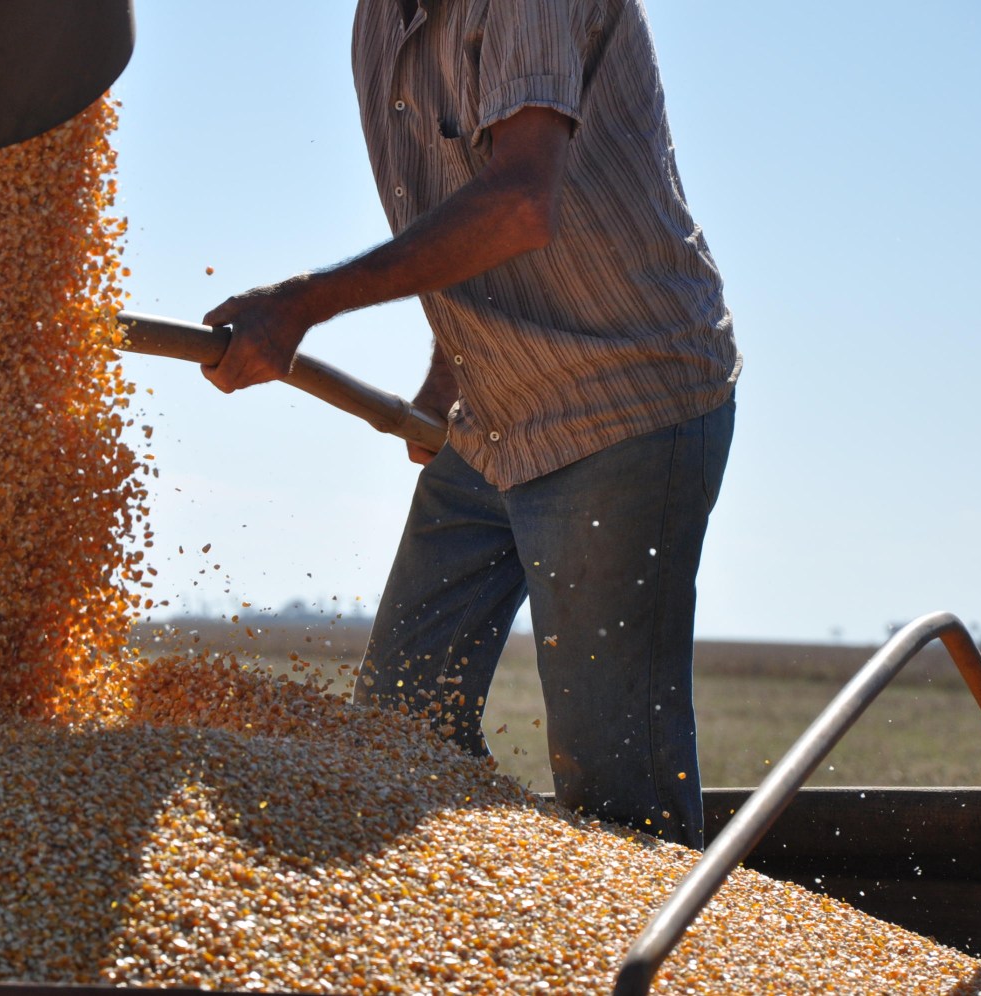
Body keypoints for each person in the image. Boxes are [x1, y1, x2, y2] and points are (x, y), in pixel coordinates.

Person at [200, 0, 740, 849]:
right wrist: (449, 369)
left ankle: (645, 969)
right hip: (491, 418)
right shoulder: (380, 22)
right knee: (394, 735)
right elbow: (454, 209)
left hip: (623, 398)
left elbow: (521, 203)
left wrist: (302, 304)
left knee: (615, 792)